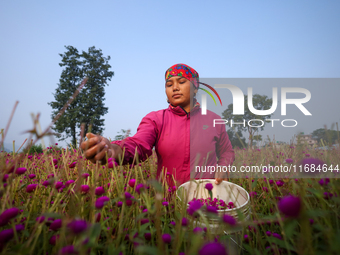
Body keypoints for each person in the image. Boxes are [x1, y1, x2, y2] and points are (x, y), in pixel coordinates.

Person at [81, 63, 235, 187]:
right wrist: (113, 151)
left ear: (195, 88)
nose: (175, 87)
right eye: (169, 84)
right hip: (168, 202)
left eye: (182, 82)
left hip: (206, 198)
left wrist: (223, 166)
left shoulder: (214, 120)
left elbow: (227, 152)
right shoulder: (156, 119)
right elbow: (138, 145)